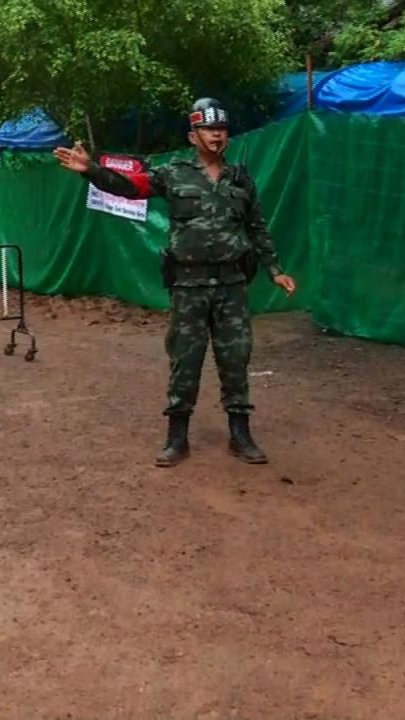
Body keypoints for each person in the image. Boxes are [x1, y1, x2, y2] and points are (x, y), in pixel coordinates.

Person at [54, 98, 297, 468]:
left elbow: (257, 227)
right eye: (209, 129)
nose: (217, 135)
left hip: (232, 284)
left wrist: (275, 269)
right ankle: (177, 438)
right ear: (193, 135)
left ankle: (241, 434)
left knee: (235, 358)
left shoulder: (240, 178)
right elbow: (128, 188)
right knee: (186, 359)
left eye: (222, 129)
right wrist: (90, 170)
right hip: (189, 286)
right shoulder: (173, 173)